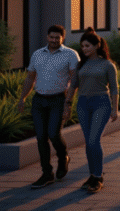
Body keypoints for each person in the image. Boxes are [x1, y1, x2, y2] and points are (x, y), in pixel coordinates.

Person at [18, 25, 79, 189]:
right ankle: (47, 173)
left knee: (53, 134)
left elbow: (74, 81)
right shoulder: (37, 54)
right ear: (47, 37)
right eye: (51, 37)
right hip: (39, 101)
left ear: (63, 38)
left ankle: (63, 157)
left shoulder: (70, 55)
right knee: (41, 137)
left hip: (58, 100)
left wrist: (68, 103)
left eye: (57, 38)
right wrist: (22, 98)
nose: (53, 40)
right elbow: (30, 78)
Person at [65, 28, 117, 194]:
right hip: (83, 104)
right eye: (82, 46)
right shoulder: (81, 64)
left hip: (101, 103)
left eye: (87, 46)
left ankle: (98, 176)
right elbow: (73, 85)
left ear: (96, 46)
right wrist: (68, 104)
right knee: (88, 142)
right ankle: (92, 175)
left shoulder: (108, 65)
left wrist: (115, 109)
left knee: (94, 140)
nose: (84, 49)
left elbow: (115, 89)